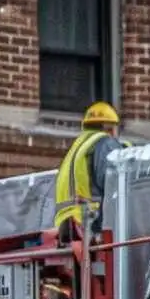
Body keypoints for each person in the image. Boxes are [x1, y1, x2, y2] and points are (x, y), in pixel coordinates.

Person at [54, 101, 129, 245]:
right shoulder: (105, 143)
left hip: (67, 224)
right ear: (110, 129)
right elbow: (114, 187)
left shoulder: (78, 146)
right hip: (89, 224)